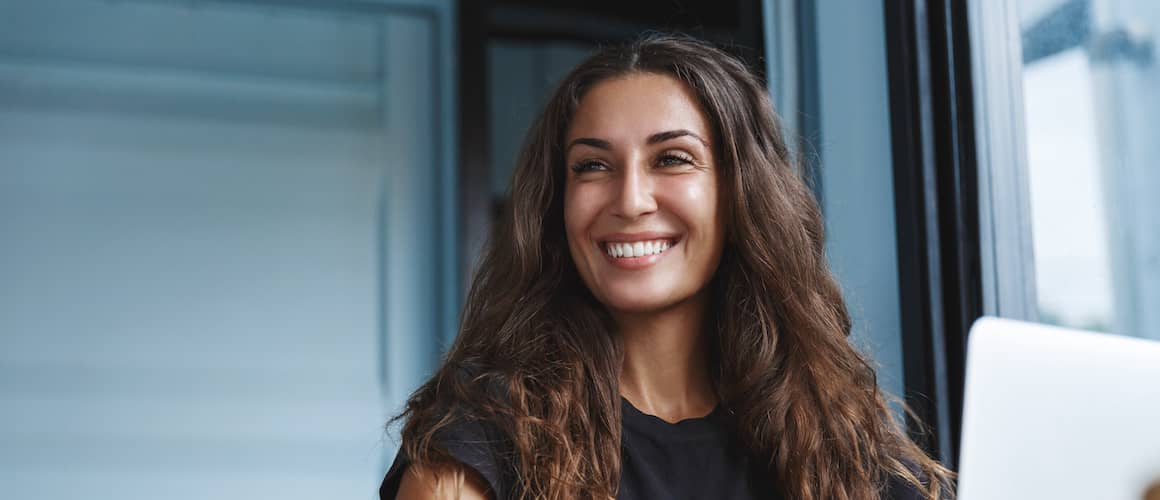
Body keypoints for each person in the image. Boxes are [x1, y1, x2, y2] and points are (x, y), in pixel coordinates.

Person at [381, 33, 955, 500]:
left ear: (739, 195)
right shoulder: (483, 431)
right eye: (592, 166)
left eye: (672, 159)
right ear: (556, 203)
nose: (630, 200)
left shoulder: (837, 438)